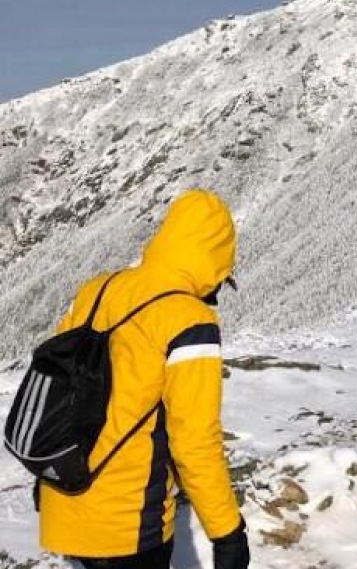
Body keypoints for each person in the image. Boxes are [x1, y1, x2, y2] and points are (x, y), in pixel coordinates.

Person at [39, 190, 250, 569]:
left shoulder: (97, 289)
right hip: (127, 524)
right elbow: (194, 441)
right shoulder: (189, 320)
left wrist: (46, 478)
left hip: (64, 500)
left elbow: (58, 391)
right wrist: (227, 533)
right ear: (213, 263)